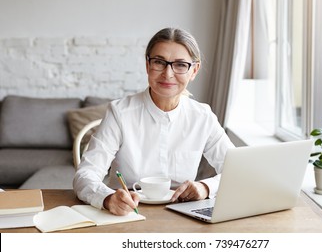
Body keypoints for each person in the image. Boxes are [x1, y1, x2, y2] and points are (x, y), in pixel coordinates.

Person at [73, 27, 234, 216]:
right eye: (159, 62)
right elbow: (85, 175)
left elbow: (238, 170)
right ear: (148, 65)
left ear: (194, 70)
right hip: (126, 215)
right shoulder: (119, 113)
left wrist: (206, 188)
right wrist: (107, 198)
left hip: (182, 216)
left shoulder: (203, 116)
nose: (168, 74)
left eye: (180, 65)